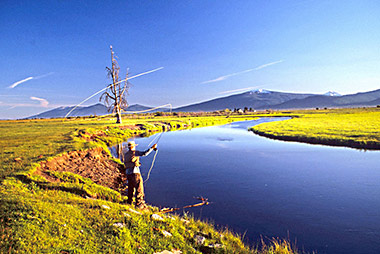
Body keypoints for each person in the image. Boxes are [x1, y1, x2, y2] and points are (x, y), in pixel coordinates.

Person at [123, 141, 157, 209]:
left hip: (128, 174)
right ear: (133, 147)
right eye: (134, 146)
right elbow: (144, 153)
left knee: (130, 188)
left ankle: (129, 202)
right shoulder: (134, 152)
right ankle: (139, 204)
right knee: (139, 189)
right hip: (135, 173)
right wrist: (152, 148)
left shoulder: (126, 154)